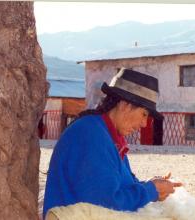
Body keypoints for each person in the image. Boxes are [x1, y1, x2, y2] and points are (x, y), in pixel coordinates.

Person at [43, 68, 182, 219]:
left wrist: (152, 186)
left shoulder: (108, 136)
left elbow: (121, 188)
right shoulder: (90, 134)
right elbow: (106, 201)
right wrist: (150, 190)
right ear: (125, 105)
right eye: (144, 114)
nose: (143, 124)